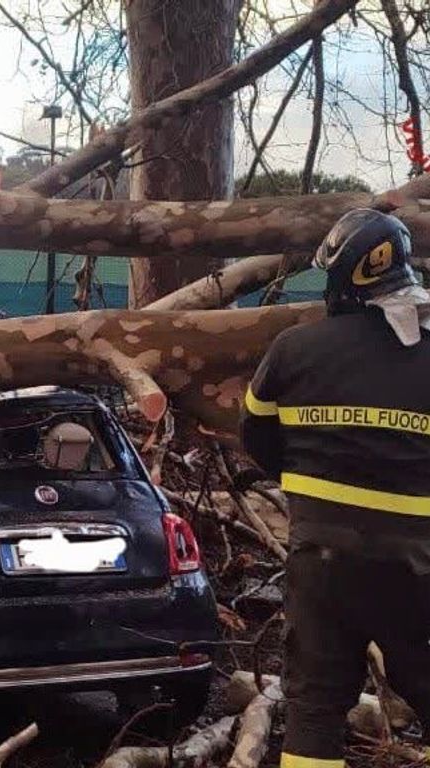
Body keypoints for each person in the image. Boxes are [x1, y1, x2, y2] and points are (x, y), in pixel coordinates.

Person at [240, 208, 430, 768]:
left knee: (315, 705)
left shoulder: (294, 349)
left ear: (343, 276)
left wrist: (311, 487)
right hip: (417, 562)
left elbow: (257, 436)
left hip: (320, 557)